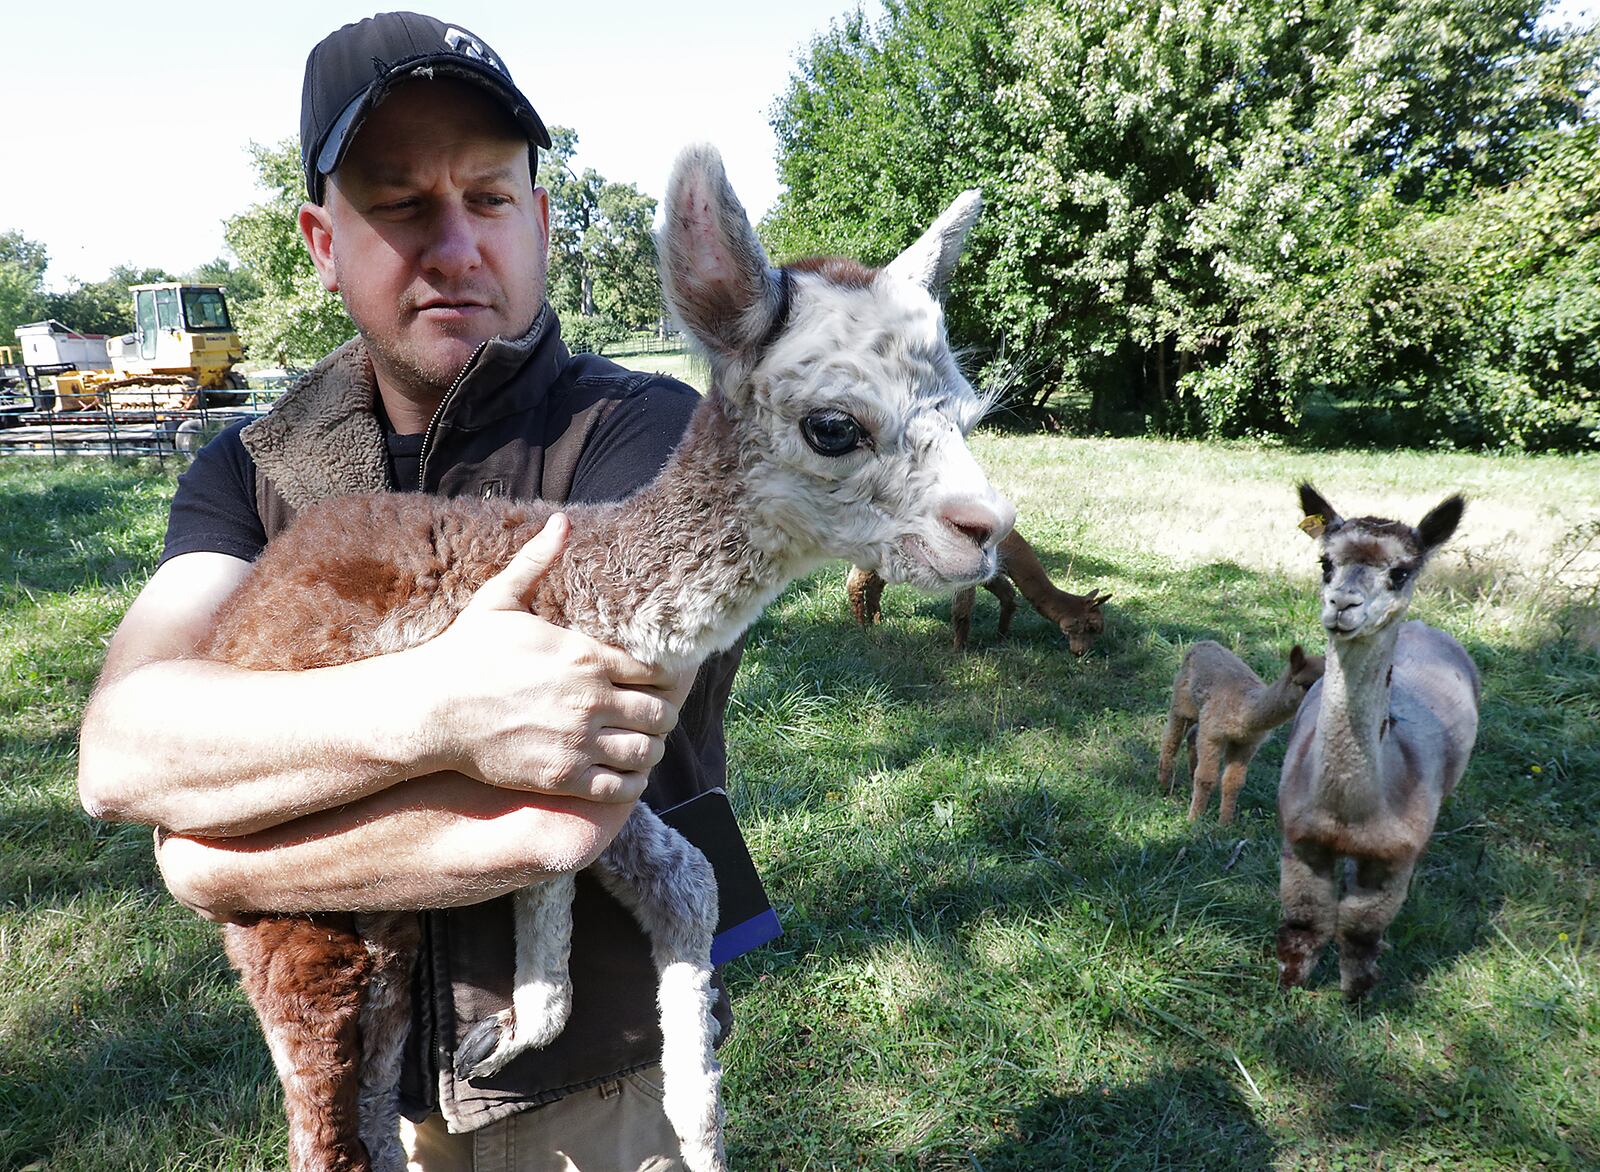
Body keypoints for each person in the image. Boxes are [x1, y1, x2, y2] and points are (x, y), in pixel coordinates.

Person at [76, 12, 745, 1170]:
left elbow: (566, 805)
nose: (455, 244)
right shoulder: (252, 469)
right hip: (357, 1070)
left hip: (599, 1085)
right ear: (322, 241)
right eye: (400, 204)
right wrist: (442, 709)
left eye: (488, 198)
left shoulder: (648, 438)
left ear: (539, 220)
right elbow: (125, 752)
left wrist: (216, 858)